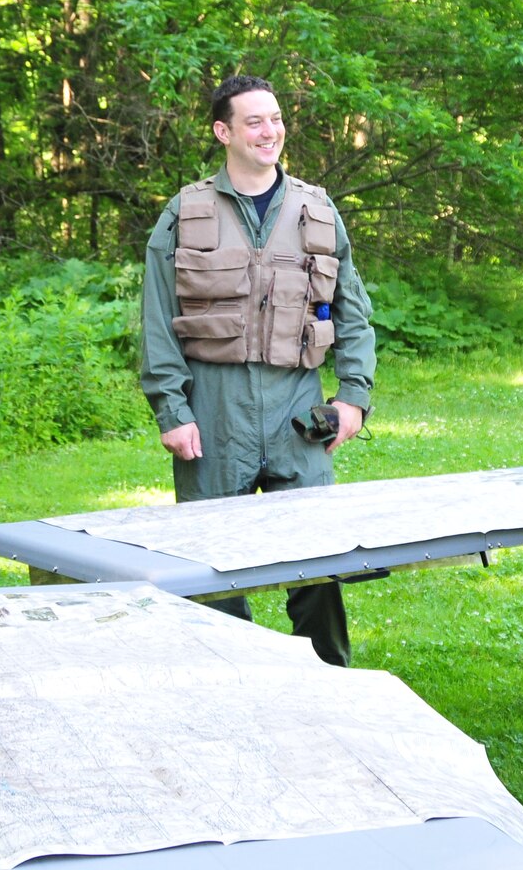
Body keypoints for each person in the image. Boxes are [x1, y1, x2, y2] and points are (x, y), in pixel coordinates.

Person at [138, 75, 377, 667]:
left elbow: (353, 309)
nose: (270, 131)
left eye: (275, 119)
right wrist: (172, 410)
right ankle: (230, 685)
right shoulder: (185, 212)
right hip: (215, 411)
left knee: (319, 562)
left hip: (300, 409)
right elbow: (157, 321)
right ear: (224, 132)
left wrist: (354, 396)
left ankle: (327, 682)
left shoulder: (316, 208)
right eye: (254, 121)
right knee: (211, 569)